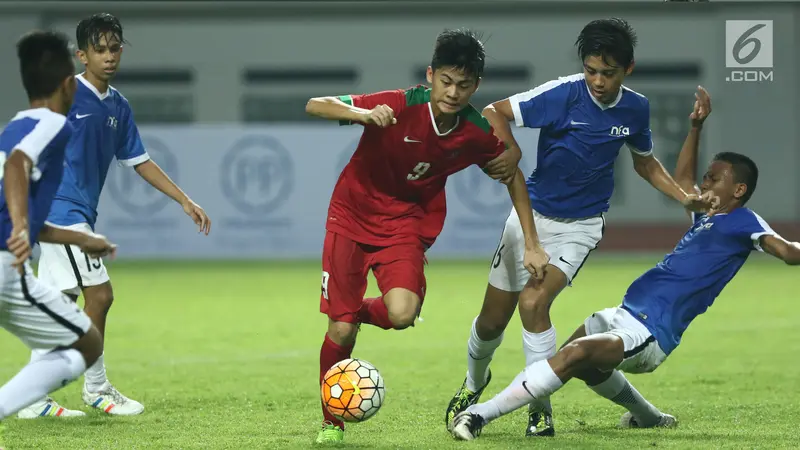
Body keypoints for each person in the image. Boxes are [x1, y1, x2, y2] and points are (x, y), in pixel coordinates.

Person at [450, 86, 800, 440]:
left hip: (651, 331)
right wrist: (695, 128)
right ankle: (649, 417)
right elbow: (681, 182)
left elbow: (788, 252)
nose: (703, 183)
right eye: (706, 176)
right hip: (624, 313)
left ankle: (479, 415)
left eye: (713, 178)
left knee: (574, 355)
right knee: (583, 365)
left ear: (738, 191)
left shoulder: (744, 222)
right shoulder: (707, 217)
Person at [445, 18, 714, 436]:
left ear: (628, 69)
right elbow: (494, 111)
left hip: (582, 226)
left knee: (534, 303)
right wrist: (511, 150)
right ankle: (474, 382)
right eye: (591, 70)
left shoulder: (635, 107)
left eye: (608, 73)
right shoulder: (562, 94)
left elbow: (644, 162)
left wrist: (683, 197)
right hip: (530, 216)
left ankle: (539, 411)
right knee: (491, 322)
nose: (598, 81)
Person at [306, 28, 550, 443]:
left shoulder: (473, 131)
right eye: (446, 81)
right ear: (431, 74)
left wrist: (531, 241)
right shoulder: (400, 104)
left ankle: (351, 313)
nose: (453, 93)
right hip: (350, 217)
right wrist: (363, 115)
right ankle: (332, 421)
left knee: (401, 314)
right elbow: (315, 105)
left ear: (476, 85)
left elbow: (512, 174)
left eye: (464, 85)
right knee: (340, 335)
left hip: (405, 225)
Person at [19, 13, 211, 419]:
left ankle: (34, 399)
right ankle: (96, 389)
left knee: (61, 302)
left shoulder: (118, 106)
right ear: (81, 55)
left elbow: (139, 161)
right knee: (101, 295)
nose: (108, 57)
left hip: (78, 213)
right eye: (99, 50)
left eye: (114, 48)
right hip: (59, 212)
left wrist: (184, 199)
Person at [0, 29, 117, 421]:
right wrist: (19, 226)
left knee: (75, 339)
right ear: (68, 85)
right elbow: (18, 165)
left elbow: (25, 202)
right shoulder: (54, 124)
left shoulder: (15, 125)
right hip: (5, 267)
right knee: (86, 342)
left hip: (11, 257)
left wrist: (79, 239)